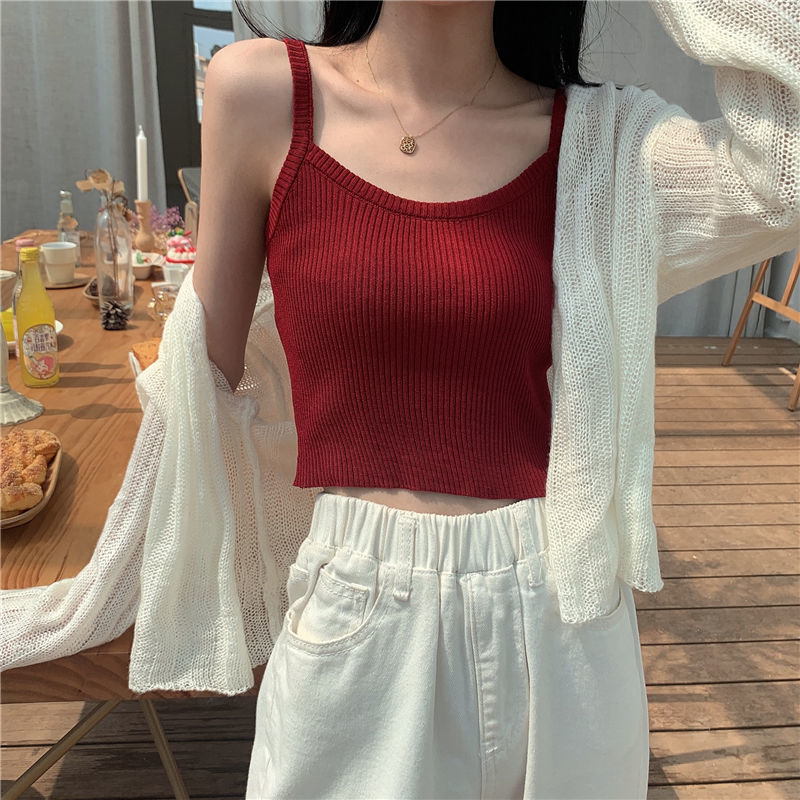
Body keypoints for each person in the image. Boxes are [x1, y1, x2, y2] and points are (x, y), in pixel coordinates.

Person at [0, 1, 796, 799]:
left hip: (564, 612)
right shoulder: (265, 93)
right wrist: (129, 577)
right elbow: (199, 386)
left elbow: (784, 173)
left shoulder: (600, 143)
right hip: (360, 614)